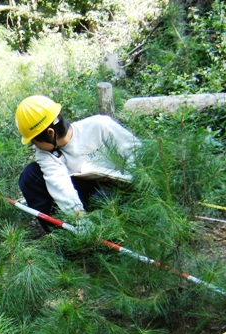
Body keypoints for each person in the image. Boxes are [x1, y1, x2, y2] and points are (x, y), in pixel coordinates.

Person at [15, 95, 141, 232]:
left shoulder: (99, 126)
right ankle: (62, 237)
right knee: (30, 175)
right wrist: (80, 220)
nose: (33, 144)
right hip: (81, 193)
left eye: (34, 140)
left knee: (102, 198)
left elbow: (136, 154)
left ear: (50, 133)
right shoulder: (44, 154)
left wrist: (140, 191)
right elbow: (61, 187)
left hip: (116, 190)